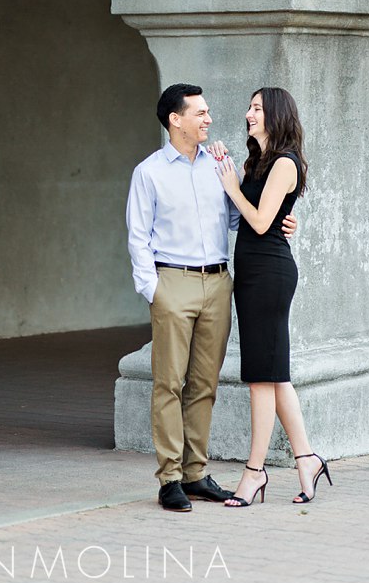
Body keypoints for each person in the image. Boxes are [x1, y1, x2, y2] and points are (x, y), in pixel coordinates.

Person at [126, 83, 298, 512]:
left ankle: (195, 473)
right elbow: (137, 238)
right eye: (199, 113)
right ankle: (169, 479)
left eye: (207, 112)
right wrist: (154, 290)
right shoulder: (149, 172)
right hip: (173, 284)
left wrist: (285, 222)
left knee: (204, 384)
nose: (208, 119)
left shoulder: (218, 165)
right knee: (168, 383)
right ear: (175, 120)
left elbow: (246, 217)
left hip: (219, 283)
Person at [212, 87, 331, 507]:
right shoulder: (261, 161)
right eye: (249, 107)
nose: (248, 114)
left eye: (257, 108)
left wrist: (232, 187)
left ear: (275, 115)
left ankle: (254, 473)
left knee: (260, 377)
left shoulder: (284, 162)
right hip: (254, 273)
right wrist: (229, 170)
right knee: (274, 374)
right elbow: (265, 214)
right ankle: (307, 459)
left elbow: (261, 221)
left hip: (270, 273)